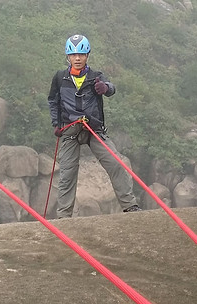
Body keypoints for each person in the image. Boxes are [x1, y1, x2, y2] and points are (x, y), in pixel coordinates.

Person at [47, 34, 140, 218]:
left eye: (81, 54)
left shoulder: (95, 76)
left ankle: (130, 206)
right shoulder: (60, 78)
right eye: (73, 55)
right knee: (67, 173)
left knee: (115, 163)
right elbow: (53, 101)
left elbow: (110, 87)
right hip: (70, 130)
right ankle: (63, 216)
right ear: (68, 57)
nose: (78, 58)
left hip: (93, 129)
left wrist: (105, 88)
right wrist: (56, 123)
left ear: (87, 55)